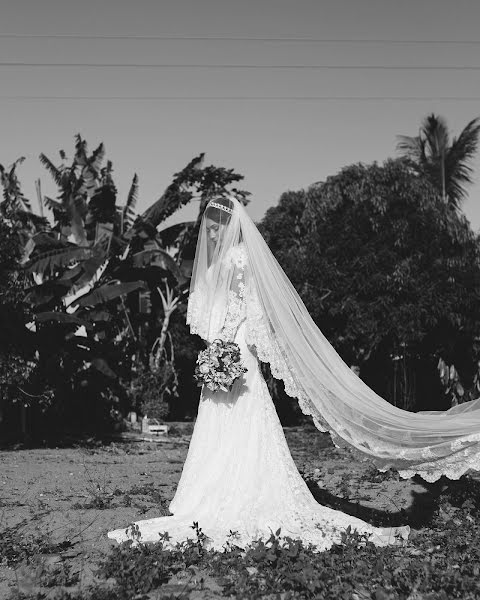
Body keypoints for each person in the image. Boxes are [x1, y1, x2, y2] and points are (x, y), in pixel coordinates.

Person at [108, 195, 480, 550]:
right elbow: (213, 323)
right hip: (220, 363)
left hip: (238, 364)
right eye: (210, 227)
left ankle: (243, 493)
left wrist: (230, 354)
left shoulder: (239, 260)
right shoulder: (213, 267)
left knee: (244, 429)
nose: (212, 233)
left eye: (218, 226)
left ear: (233, 226)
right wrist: (214, 357)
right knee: (217, 430)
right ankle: (210, 492)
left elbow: (250, 319)